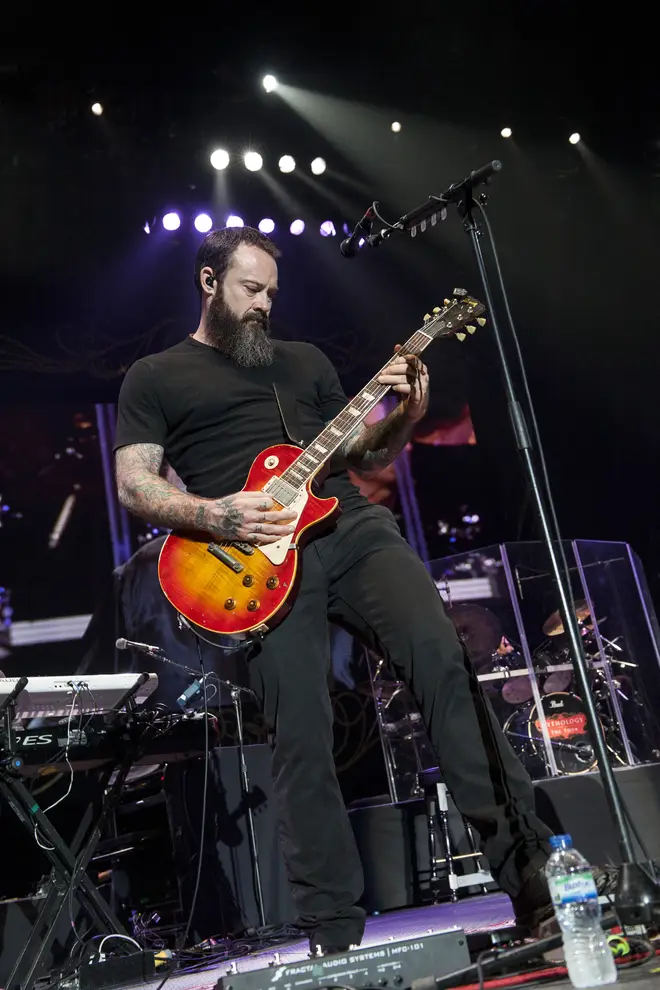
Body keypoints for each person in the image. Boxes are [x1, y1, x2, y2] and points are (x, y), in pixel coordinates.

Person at [114, 225, 555, 952]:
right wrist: (216, 514)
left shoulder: (305, 363)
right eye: (250, 289)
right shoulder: (156, 376)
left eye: (272, 294)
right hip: (251, 556)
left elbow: (363, 452)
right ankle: (334, 936)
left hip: (347, 526)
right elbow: (134, 485)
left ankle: (536, 889)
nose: (263, 305)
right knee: (301, 736)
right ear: (208, 283)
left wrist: (404, 418)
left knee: (444, 665)